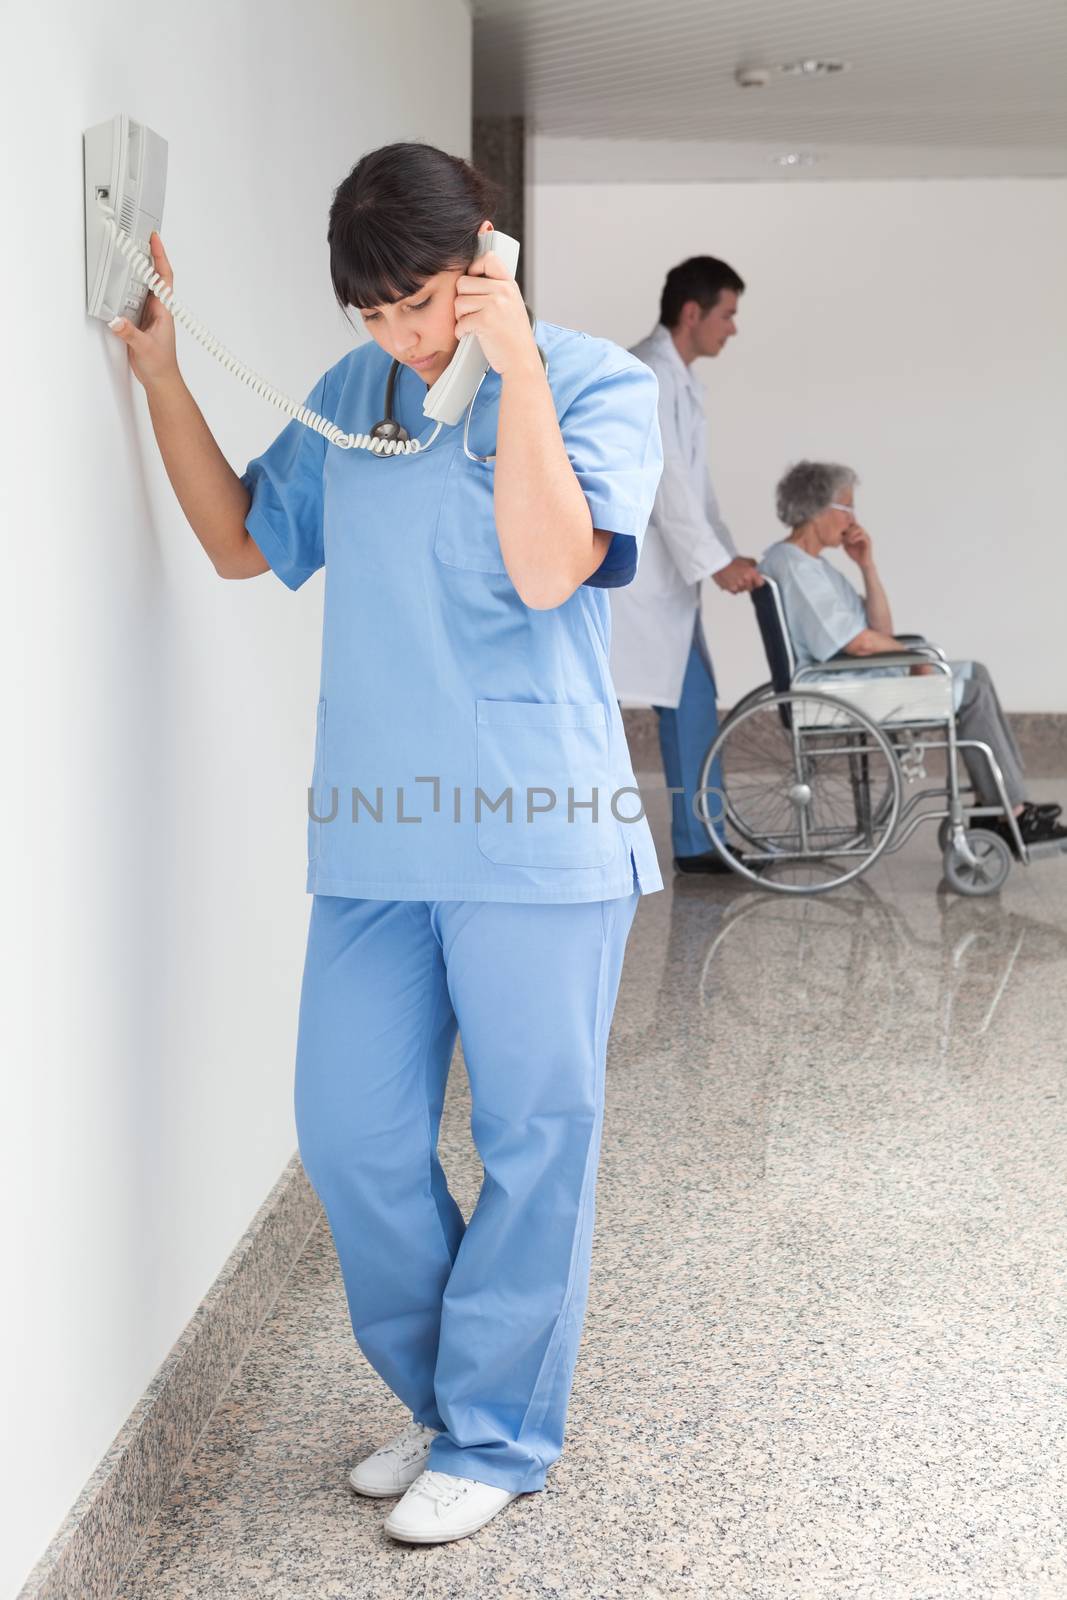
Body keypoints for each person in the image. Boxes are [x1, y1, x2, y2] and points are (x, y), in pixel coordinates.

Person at [107, 141, 666, 1545]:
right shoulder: (357, 396)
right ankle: (446, 1408)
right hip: (373, 840)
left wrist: (513, 365)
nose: (405, 340)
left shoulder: (599, 383)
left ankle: (495, 1434)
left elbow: (551, 567)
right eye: (376, 315)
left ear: (485, 259)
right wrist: (163, 375)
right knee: (350, 1138)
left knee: (536, 1141)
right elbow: (245, 541)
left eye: (423, 305)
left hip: (537, 833)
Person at [759, 461, 1066, 851]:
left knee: (976, 673)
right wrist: (911, 657)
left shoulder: (812, 566)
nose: (853, 519)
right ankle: (1013, 813)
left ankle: (1003, 803)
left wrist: (866, 565)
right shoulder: (793, 566)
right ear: (819, 508)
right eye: (848, 508)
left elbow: (879, 630)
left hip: (853, 677)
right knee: (970, 693)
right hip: (835, 687)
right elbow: (859, 645)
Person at [610, 256, 764, 875]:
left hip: (668, 578)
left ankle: (702, 841)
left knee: (691, 700)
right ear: (693, 312)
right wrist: (713, 563)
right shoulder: (648, 373)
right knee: (690, 699)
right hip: (642, 578)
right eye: (728, 314)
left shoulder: (677, 379)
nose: (734, 328)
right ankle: (701, 844)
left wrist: (725, 555)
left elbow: (698, 490)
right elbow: (668, 483)